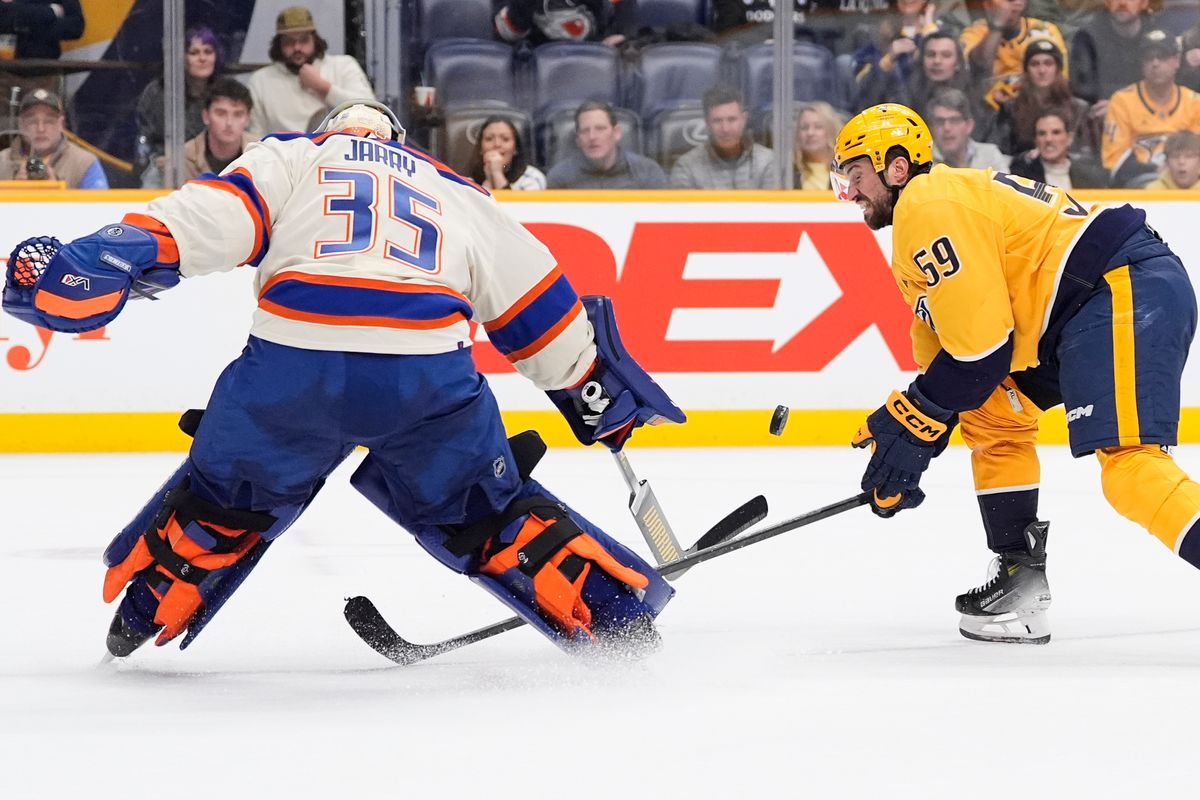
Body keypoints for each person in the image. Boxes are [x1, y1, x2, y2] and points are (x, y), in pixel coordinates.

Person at [1, 99, 682, 660]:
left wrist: (110, 255)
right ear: (398, 139)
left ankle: (144, 611)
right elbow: (535, 303)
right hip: (425, 375)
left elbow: (207, 219)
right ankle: (615, 619)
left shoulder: (294, 155)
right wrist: (590, 387)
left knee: (230, 497)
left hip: (295, 366)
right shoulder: (455, 188)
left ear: (329, 128)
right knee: (485, 513)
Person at [830, 102, 1200, 645]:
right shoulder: (930, 215)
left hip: (1119, 289)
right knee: (992, 412)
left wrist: (911, 422)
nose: (851, 193)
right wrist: (914, 437)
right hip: (1076, 310)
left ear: (897, 167)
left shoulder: (928, 206)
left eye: (856, 176)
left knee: (1130, 470)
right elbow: (954, 366)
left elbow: (981, 355)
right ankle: (1019, 578)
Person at [247, 6, 376, 137]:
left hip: (338, 148)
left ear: (315, 40)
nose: (297, 47)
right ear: (278, 44)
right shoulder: (261, 80)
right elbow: (256, 135)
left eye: (304, 40)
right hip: (282, 149)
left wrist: (323, 88)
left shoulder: (343, 65)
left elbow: (371, 112)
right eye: (289, 41)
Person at [1102, 28, 1200, 187]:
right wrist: (1157, 171)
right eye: (1149, 58)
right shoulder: (1122, 101)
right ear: (1142, 64)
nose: (1155, 63)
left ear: (1176, 61)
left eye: (1162, 57)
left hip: (1187, 184)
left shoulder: (1194, 102)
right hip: (1139, 184)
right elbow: (1115, 161)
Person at [135, 26, 224, 177]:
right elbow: (145, 139)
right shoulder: (158, 92)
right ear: (181, 57)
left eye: (208, 52)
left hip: (215, 170)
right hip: (164, 169)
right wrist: (156, 159)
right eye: (194, 53)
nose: (202, 58)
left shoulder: (225, 92)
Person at [141, 78, 256, 189]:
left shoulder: (262, 153)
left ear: (248, 119)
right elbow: (148, 197)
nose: (229, 123)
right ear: (206, 116)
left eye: (238, 115)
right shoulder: (178, 161)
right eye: (220, 113)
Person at [986, 39, 1092, 156]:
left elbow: (1086, 154)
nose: (1042, 70)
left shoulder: (1078, 109)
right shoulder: (1011, 108)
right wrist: (1026, 159)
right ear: (1026, 70)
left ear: (1058, 69)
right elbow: (997, 151)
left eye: (1048, 64)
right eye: (1035, 64)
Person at [669, 86, 777, 190]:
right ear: (707, 122)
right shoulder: (687, 167)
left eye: (732, 119)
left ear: (744, 119)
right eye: (717, 121)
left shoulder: (768, 161)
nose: (725, 129)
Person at [546, 101, 667, 189]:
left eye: (600, 129)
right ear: (578, 139)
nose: (592, 137)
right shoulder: (559, 177)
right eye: (585, 131)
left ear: (617, 133)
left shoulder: (648, 171)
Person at [855, 31, 973, 121]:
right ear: (922, 61)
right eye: (931, 55)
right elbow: (867, 107)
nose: (937, 61)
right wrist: (888, 60)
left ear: (958, 63)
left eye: (946, 55)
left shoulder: (971, 95)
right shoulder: (906, 93)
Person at [0, 88, 106, 188]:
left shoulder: (84, 162)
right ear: (20, 124)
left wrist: (57, 193)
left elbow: (100, 201)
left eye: (49, 122)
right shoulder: (2, 161)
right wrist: (13, 189)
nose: (41, 129)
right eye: (32, 122)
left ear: (61, 124)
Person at [960, 0, 1069, 95]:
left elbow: (1060, 82)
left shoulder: (1044, 30)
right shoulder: (973, 33)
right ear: (987, 4)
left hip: (1037, 102)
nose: (1012, 5)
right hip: (990, 107)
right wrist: (997, 26)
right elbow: (979, 68)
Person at [1070, 0, 1154, 120]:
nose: (1122, 3)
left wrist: (1122, 105)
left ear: (1144, 3)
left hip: (1148, 113)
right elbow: (1083, 88)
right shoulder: (1088, 37)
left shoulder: (1155, 36)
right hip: (1100, 115)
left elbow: (1165, 83)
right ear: (1106, 2)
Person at [0, 0, 84, 97]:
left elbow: (76, 26)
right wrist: (50, 12)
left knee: (42, 106)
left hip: (44, 74)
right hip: (3, 72)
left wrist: (25, 24)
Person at [1008, 109, 1109, 188]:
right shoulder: (1022, 178)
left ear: (1069, 138)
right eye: (1042, 133)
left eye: (1056, 132)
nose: (1048, 139)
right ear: (1036, 140)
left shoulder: (1089, 177)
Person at [928, 88, 1010, 170]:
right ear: (931, 128)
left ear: (969, 126)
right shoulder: (924, 161)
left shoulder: (990, 155)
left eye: (954, 120)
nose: (947, 128)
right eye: (939, 121)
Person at [494, 0, 636, 47]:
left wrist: (624, 35)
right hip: (531, 60)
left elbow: (625, 26)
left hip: (592, 56)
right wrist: (522, 8)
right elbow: (505, 32)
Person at [465, 116, 545, 191]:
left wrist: (497, 174)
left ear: (516, 148)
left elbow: (514, 203)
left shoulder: (532, 178)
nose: (497, 144)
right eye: (489, 139)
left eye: (505, 139)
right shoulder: (467, 183)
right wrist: (488, 181)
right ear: (480, 148)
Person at [793, 101, 840, 191]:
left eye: (818, 127)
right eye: (804, 127)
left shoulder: (846, 169)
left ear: (831, 130)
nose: (810, 133)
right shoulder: (789, 171)